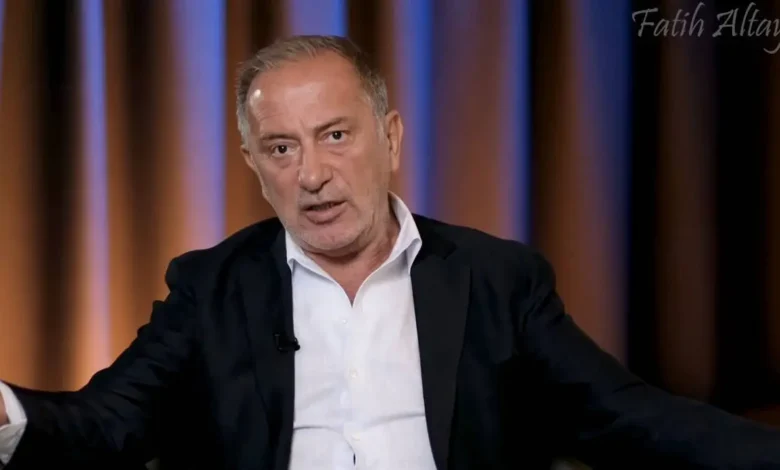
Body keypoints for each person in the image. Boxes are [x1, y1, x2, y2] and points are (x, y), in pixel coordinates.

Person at [0, 34, 778, 470]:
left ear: (392, 138)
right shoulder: (212, 287)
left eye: (336, 135)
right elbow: (107, 421)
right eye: (281, 148)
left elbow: (628, 416)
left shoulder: (496, 280)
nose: (311, 174)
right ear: (253, 165)